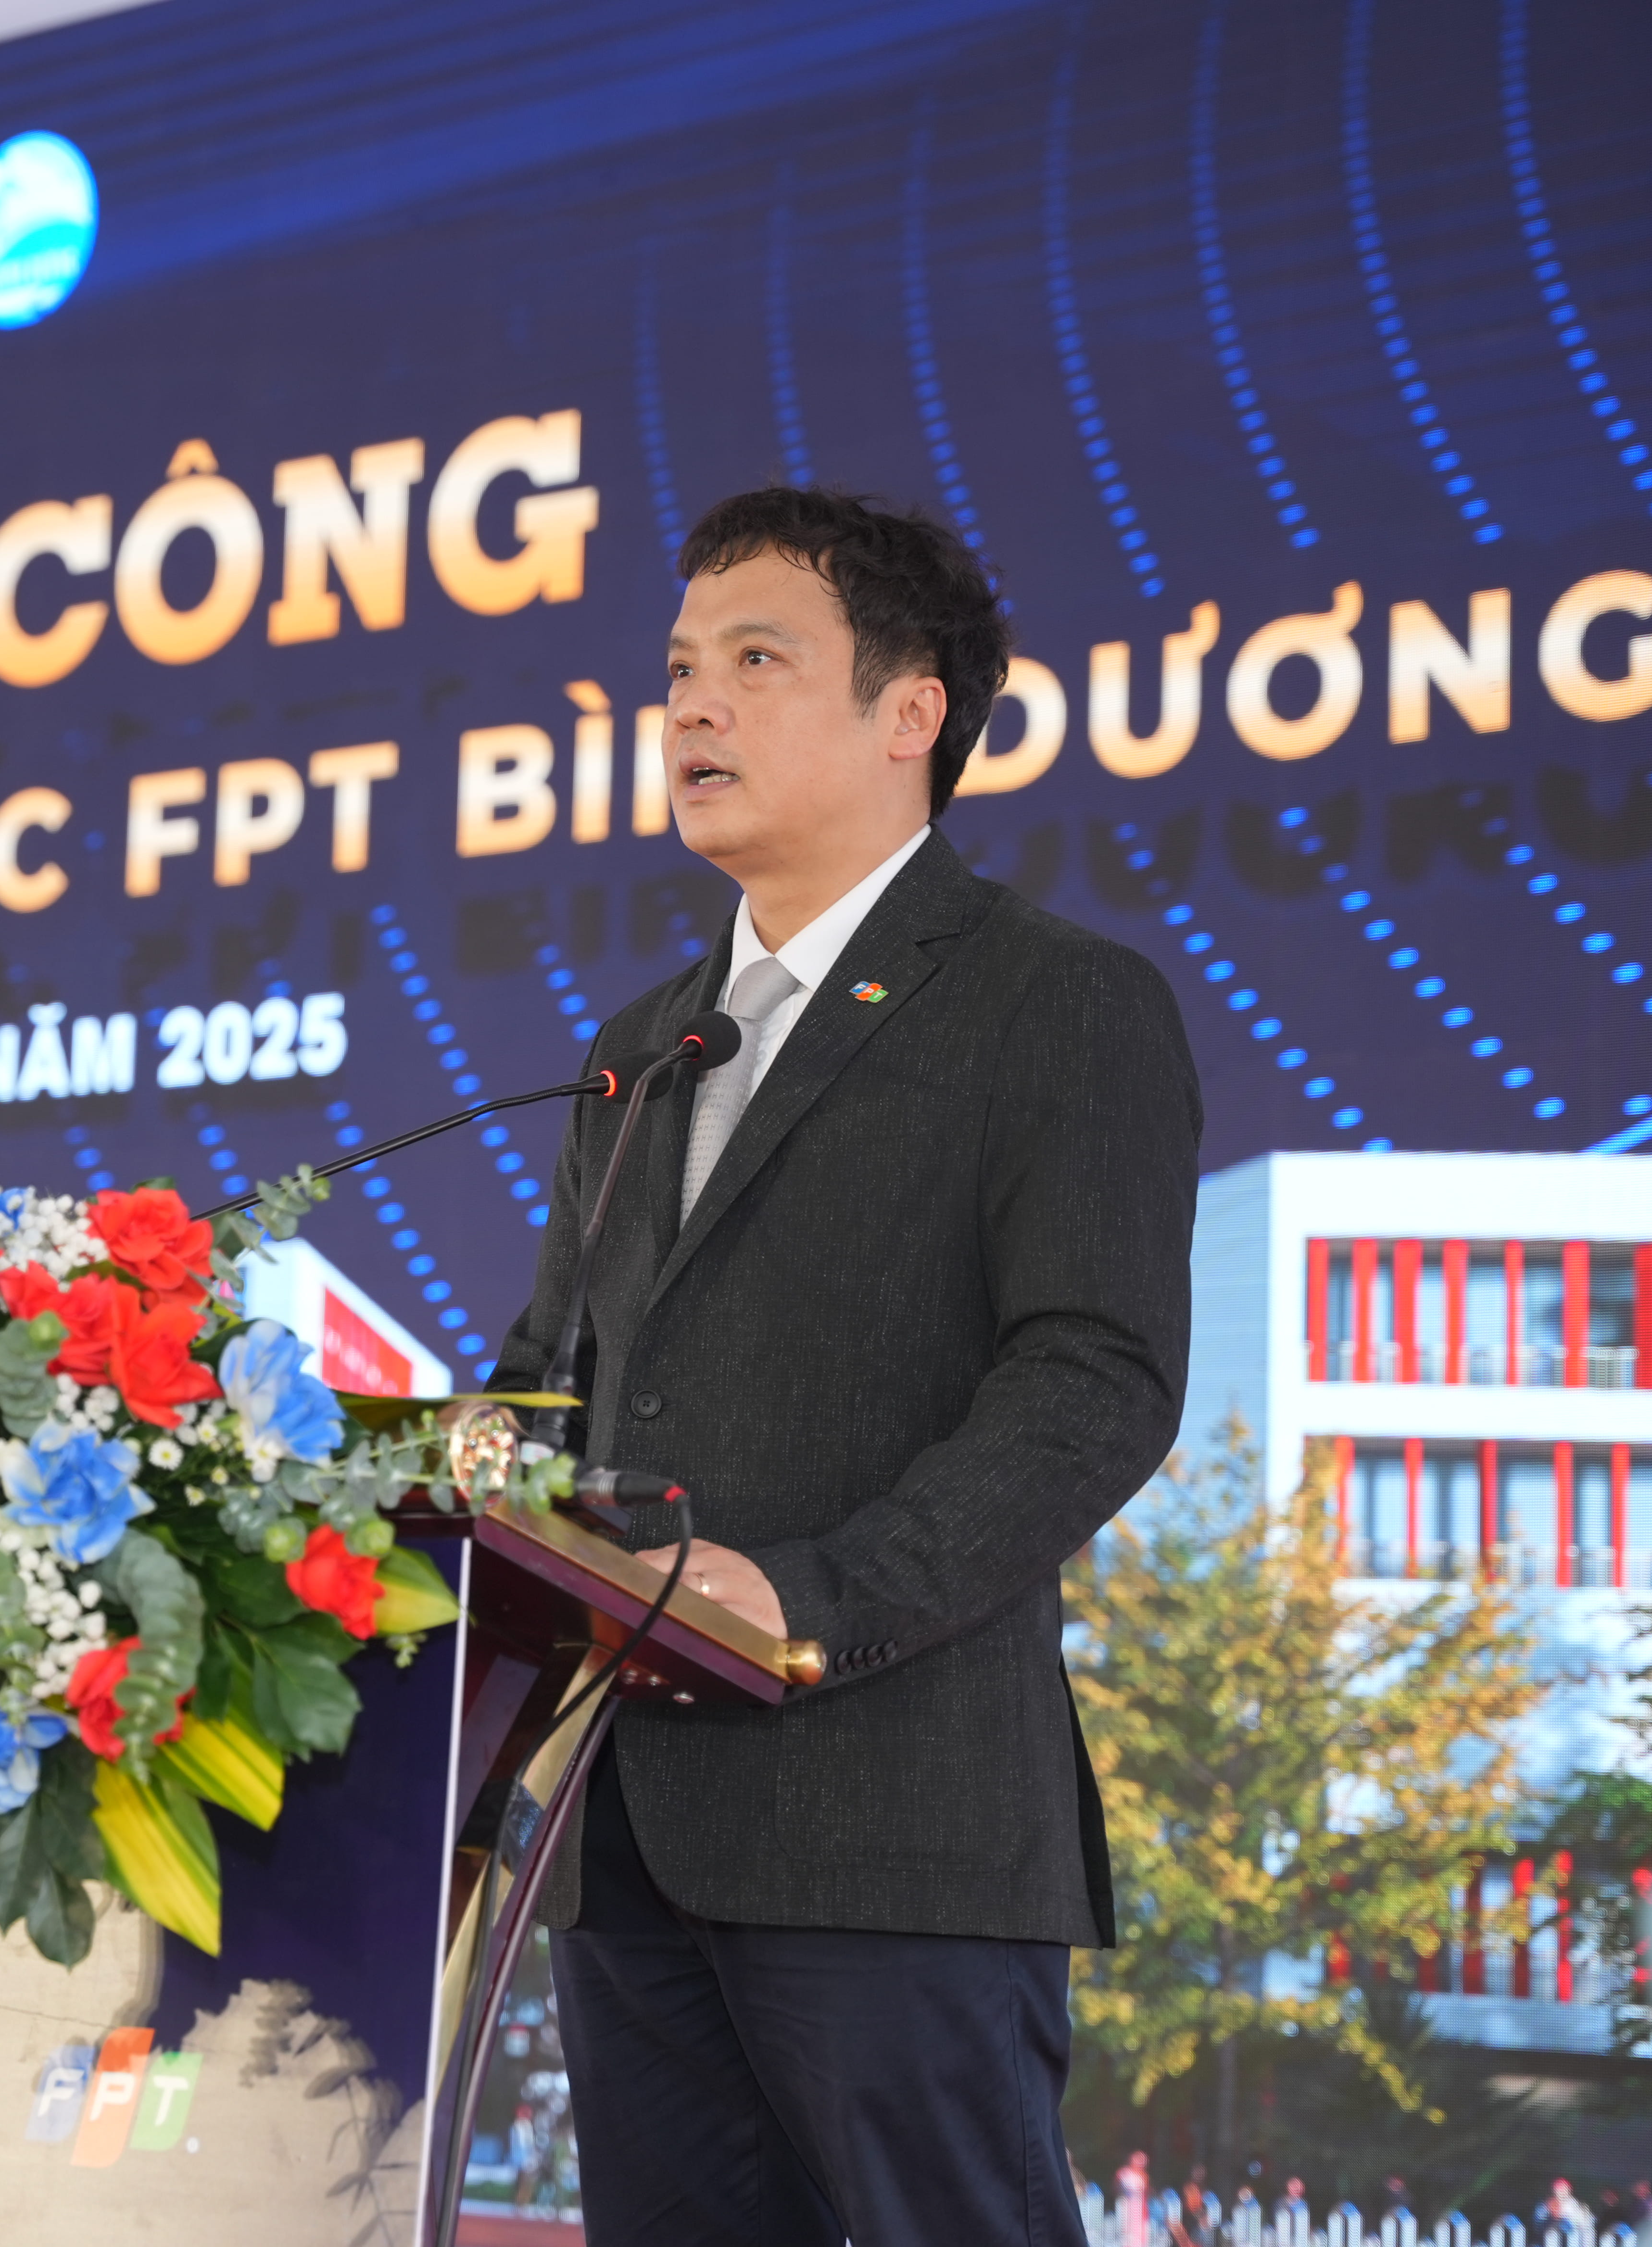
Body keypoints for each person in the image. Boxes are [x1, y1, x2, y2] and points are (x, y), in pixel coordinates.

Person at [498, 483, 1201, 2247]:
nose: (690, 706)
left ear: (911, 714)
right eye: (676, 669)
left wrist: (803, 1596)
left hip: (892, 1824)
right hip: (627, 1834)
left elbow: (1094, 1376)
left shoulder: (1058, 1003)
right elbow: (548, 1377)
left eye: (753, 660)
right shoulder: (641, 1045)